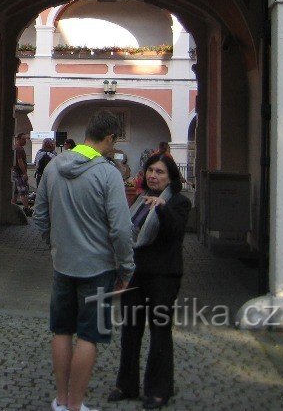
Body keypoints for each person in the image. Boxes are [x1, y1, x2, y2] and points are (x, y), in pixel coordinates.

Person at [33, 111, 135, 411]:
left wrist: (56, 245)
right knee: (89, 336)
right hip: (99, 268)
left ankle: (61, 401)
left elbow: (39, 217)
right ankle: (77, 405)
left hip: (62, 265)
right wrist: (126, 267)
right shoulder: (108, 173)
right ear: (110, 138)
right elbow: (121, 228)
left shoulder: (53, 167)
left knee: (61, 331)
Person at [108, 153, 191, 409]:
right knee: (130, 331)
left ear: (170, 177)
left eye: (160, 172)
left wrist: (162, 209)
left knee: (160, 333)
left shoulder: (178, 202)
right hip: (136, 275)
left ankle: (159, 389)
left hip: (163, 276)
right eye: (150, 171)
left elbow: (175, 232)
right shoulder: (140, 202)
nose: (153, 176)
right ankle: (127, 384)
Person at [12, 141, 33, 217]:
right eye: (23, 139)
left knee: (15, 191)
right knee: (23, 191)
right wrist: (24, 173)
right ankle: (26, 208)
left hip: (14, 171)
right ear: (19, 139)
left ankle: (12, 208)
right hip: (19, 173)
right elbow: (20, 161)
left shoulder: (15, 147)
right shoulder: (19, 149)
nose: (25, 141)